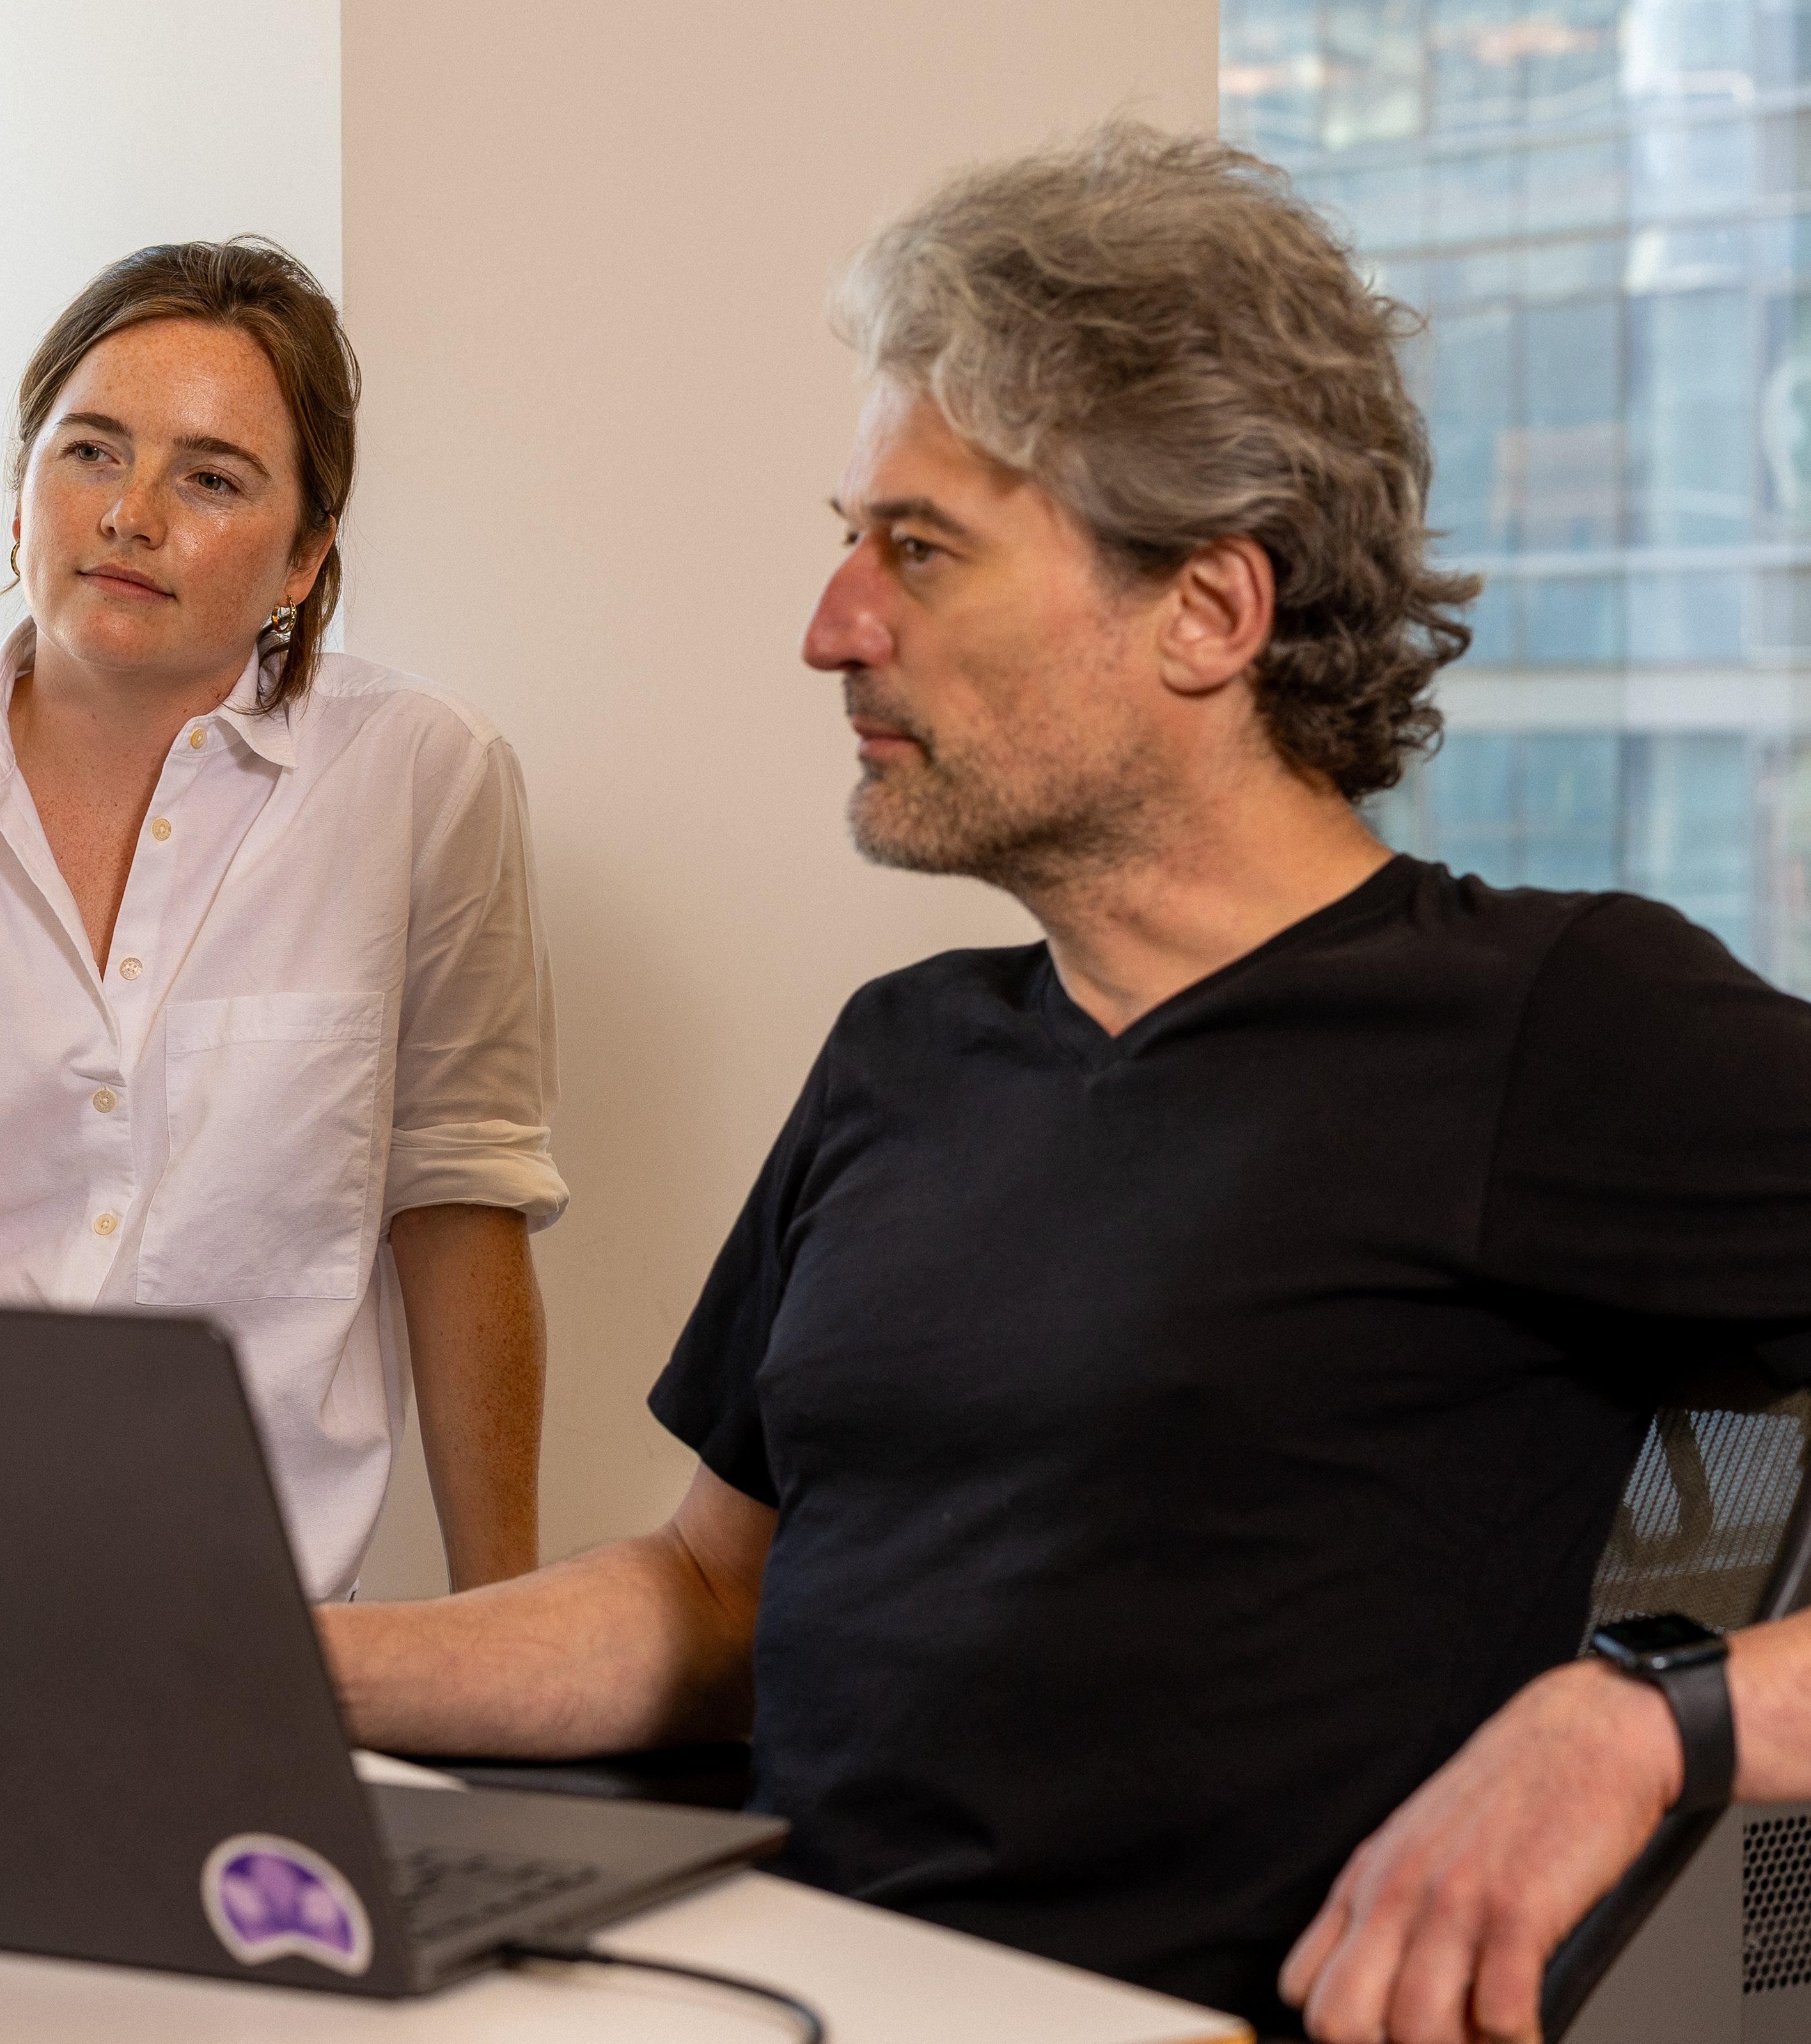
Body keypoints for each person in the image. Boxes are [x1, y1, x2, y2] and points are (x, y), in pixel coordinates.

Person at [317, 125, 1811, 2043]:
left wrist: (1646, 1719)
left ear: (1205, 611)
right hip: (780, 1992)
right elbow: (707, 1603)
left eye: (916, 549)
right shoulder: (906, 1052)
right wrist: (246, 1667)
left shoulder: (1554, 1021)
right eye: (847, 537)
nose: (829, 622)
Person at [0, 239, 565, 1600]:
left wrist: (505, 1637)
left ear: (304, 559)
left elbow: (457, 1201)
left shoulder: (424, 780)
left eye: (211, 478)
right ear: (21, 498)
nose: (130, 514)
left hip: (256, 1612)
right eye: (89, 453)